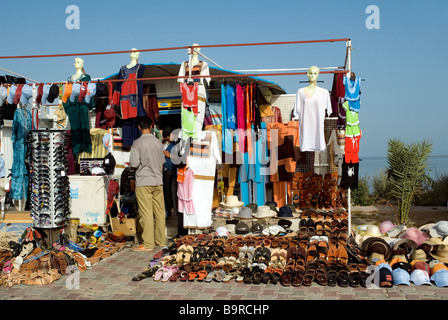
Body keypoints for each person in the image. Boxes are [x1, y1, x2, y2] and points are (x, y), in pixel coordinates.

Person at [129, 117, 166, 252]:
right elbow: (162, 163)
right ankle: (161, 240)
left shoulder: (137, 143)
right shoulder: (158, 142)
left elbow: (134, 164)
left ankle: (148, 244)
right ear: (151, 126)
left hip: (144, 181)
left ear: (139, 127)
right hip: (158, 180)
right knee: (160, 212)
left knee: (146, 213)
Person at [162, 127, 175, 218]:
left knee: (169, 191)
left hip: (171, 170)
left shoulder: (176, 144)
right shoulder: (170, 144)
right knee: (167, 191)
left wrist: (168, 155)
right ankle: (168, 209)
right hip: (167, 170)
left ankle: (170, 209)